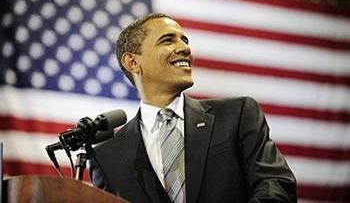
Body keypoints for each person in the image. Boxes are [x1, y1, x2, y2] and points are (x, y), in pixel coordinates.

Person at [89, 13, 297, 203]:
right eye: (168, 40)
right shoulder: (107, 156)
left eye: (185, 40)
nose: (185, 48)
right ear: (132, 62)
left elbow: (276, 185)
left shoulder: (238, 115)